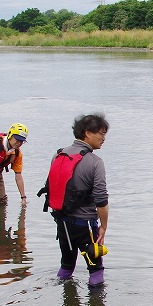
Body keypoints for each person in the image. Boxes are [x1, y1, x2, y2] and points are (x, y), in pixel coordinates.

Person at [46, 113, 110, 287]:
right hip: (85, 225)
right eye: (101, 133)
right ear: (88, 133)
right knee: (96, 271)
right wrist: (103, 226)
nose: (104, 138)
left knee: (66, 266)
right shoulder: (95, 162)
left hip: (62, 223)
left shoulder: (58, 155)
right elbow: (101, 200)